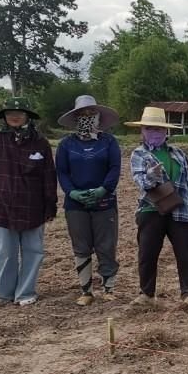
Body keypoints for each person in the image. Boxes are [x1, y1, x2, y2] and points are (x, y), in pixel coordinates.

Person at [0, 96, 57, 306]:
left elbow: (49, 177)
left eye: (18, 113)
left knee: (33, 252)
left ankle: (26, 293)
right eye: (9, 113)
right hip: (2, 206)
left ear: (27, 115)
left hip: (32, 207)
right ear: (4, 117)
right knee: (4, 253)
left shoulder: (40, 142)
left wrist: (50, 205)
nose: (14, 116)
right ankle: (3, 293)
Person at [127, 106, 188, 308]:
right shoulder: (139, 154)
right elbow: (142, 182)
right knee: (147, 253)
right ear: (142, 131)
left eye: (158, 129)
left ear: (165, 131)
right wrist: (152, 175)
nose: (154, 133)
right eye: (150, 129)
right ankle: (147, 295)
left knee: (186, 252)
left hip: (180, 209)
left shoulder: (178, 153)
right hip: (151, 210)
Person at [55, 95, 121, 306]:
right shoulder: (66, 145)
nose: (87, 117)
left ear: (99, 117)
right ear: (76, 118)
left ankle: (108, 288)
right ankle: (86, 291)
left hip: (105, 203)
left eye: (91, 113)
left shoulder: (109, 142)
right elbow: (62, 172)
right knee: (81, 247)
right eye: (82, 114)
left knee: (106, 245)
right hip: (76, 205)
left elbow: (114, 168)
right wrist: (71, 192)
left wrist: (104, 189)